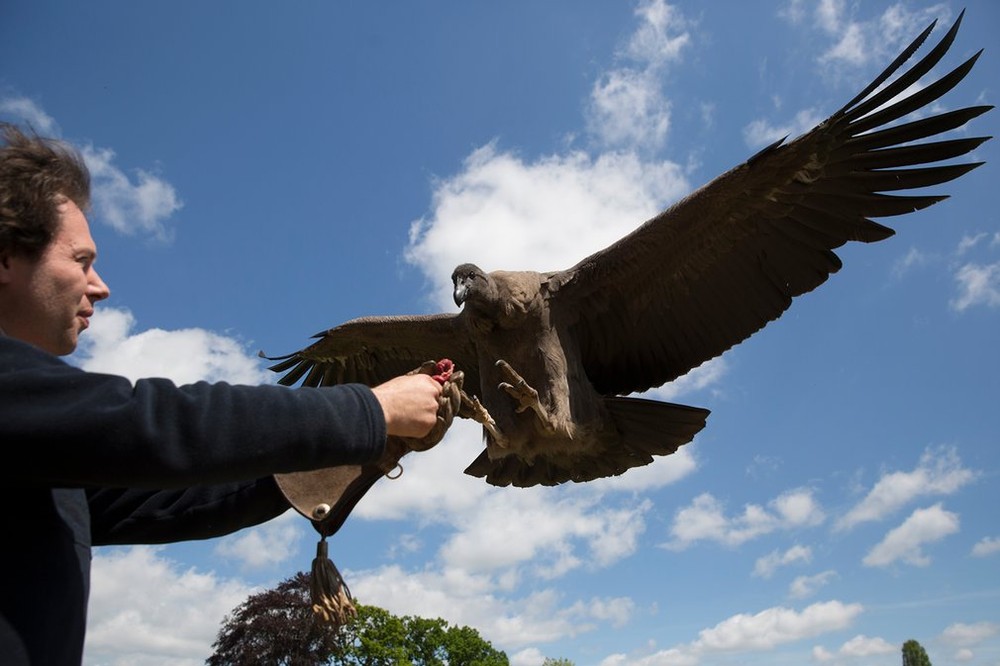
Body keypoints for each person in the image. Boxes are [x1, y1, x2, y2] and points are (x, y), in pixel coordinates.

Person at [0, 122, 447, 665]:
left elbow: (175, 500)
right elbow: (155, 425)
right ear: (6, 257)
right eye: (82, 261)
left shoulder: (39, 459)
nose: (101, 286)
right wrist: (373, 409)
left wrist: (350, 458)